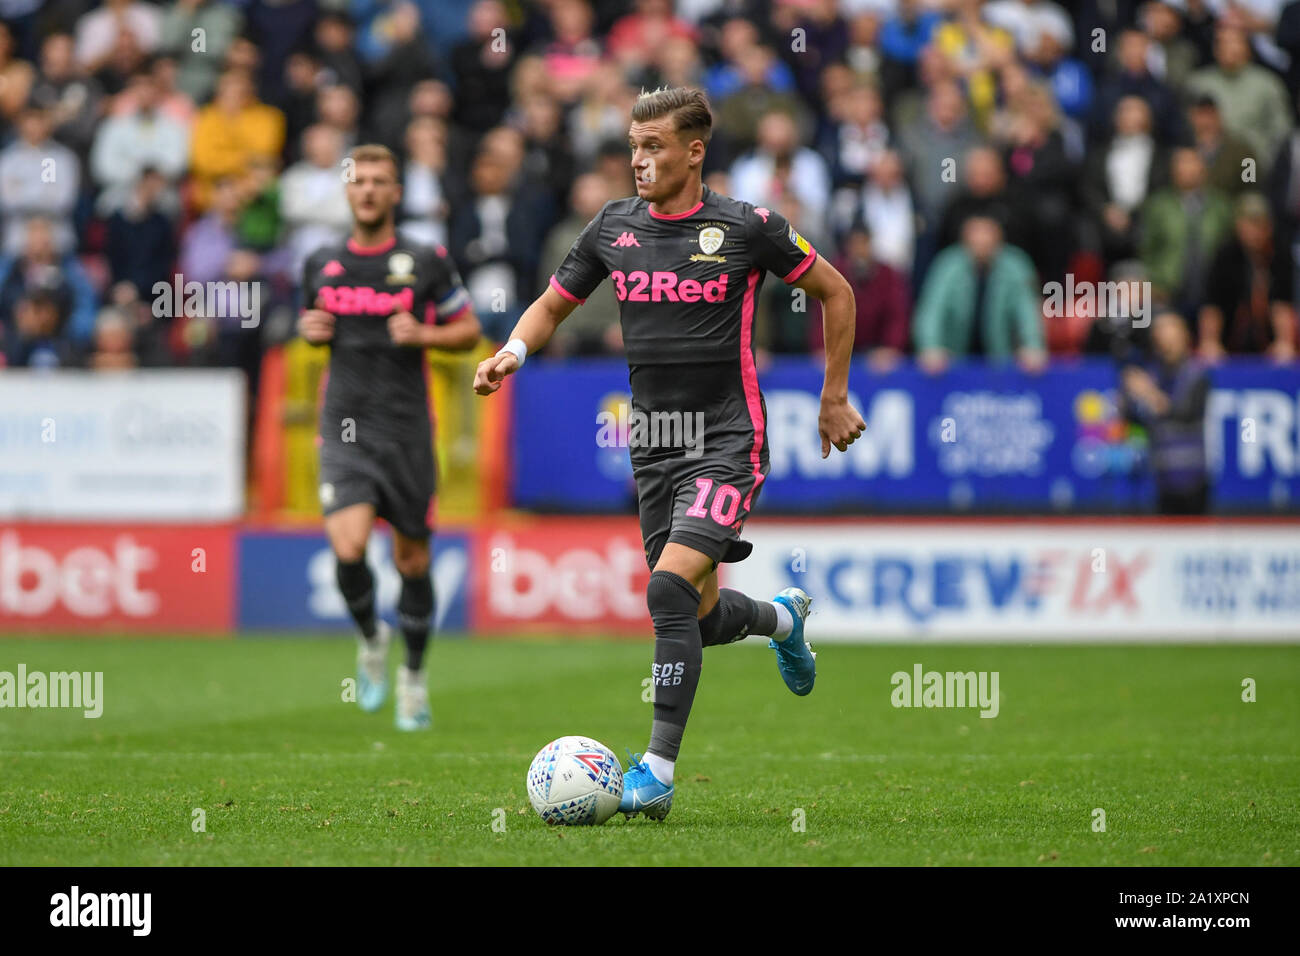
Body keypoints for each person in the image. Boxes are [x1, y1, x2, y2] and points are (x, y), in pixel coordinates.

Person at [473, 87, 865, 820]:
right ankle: (782, 620)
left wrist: (833, 394)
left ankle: (654, 771)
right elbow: (555, 302)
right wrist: (513, 351)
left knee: (664, 593)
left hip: (727, 438)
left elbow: (835, 292)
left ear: (694, 151)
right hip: (654, 445)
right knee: (699, 613)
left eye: (653, 147)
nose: (638, 161)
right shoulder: (612, 227)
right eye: (632, 147)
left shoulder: (747, 227)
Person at [296, 144, 482, 730]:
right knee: (348, 548)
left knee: (411, 560)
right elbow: (312, 327)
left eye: (380, 180)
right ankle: (372, 639)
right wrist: (309, 330)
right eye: (360, 181)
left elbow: (471, 329)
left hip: (405, 431)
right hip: (344, 427)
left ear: (396, 192)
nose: (369, 190)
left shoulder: (424, 259)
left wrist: (424, 335)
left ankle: (414, 680)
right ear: (347, 192)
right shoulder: (320, 262)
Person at [1120, 311, 1212, 515]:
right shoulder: (1152, 373)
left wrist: (1149, 394)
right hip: (1161, 480)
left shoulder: (1197, 376)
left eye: (1171, 337)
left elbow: (1186, 413)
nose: (1166, 344)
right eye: (1160, 337)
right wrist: (1128, 399)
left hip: (1194, 481)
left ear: (1185, 337)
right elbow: (1138, 420)